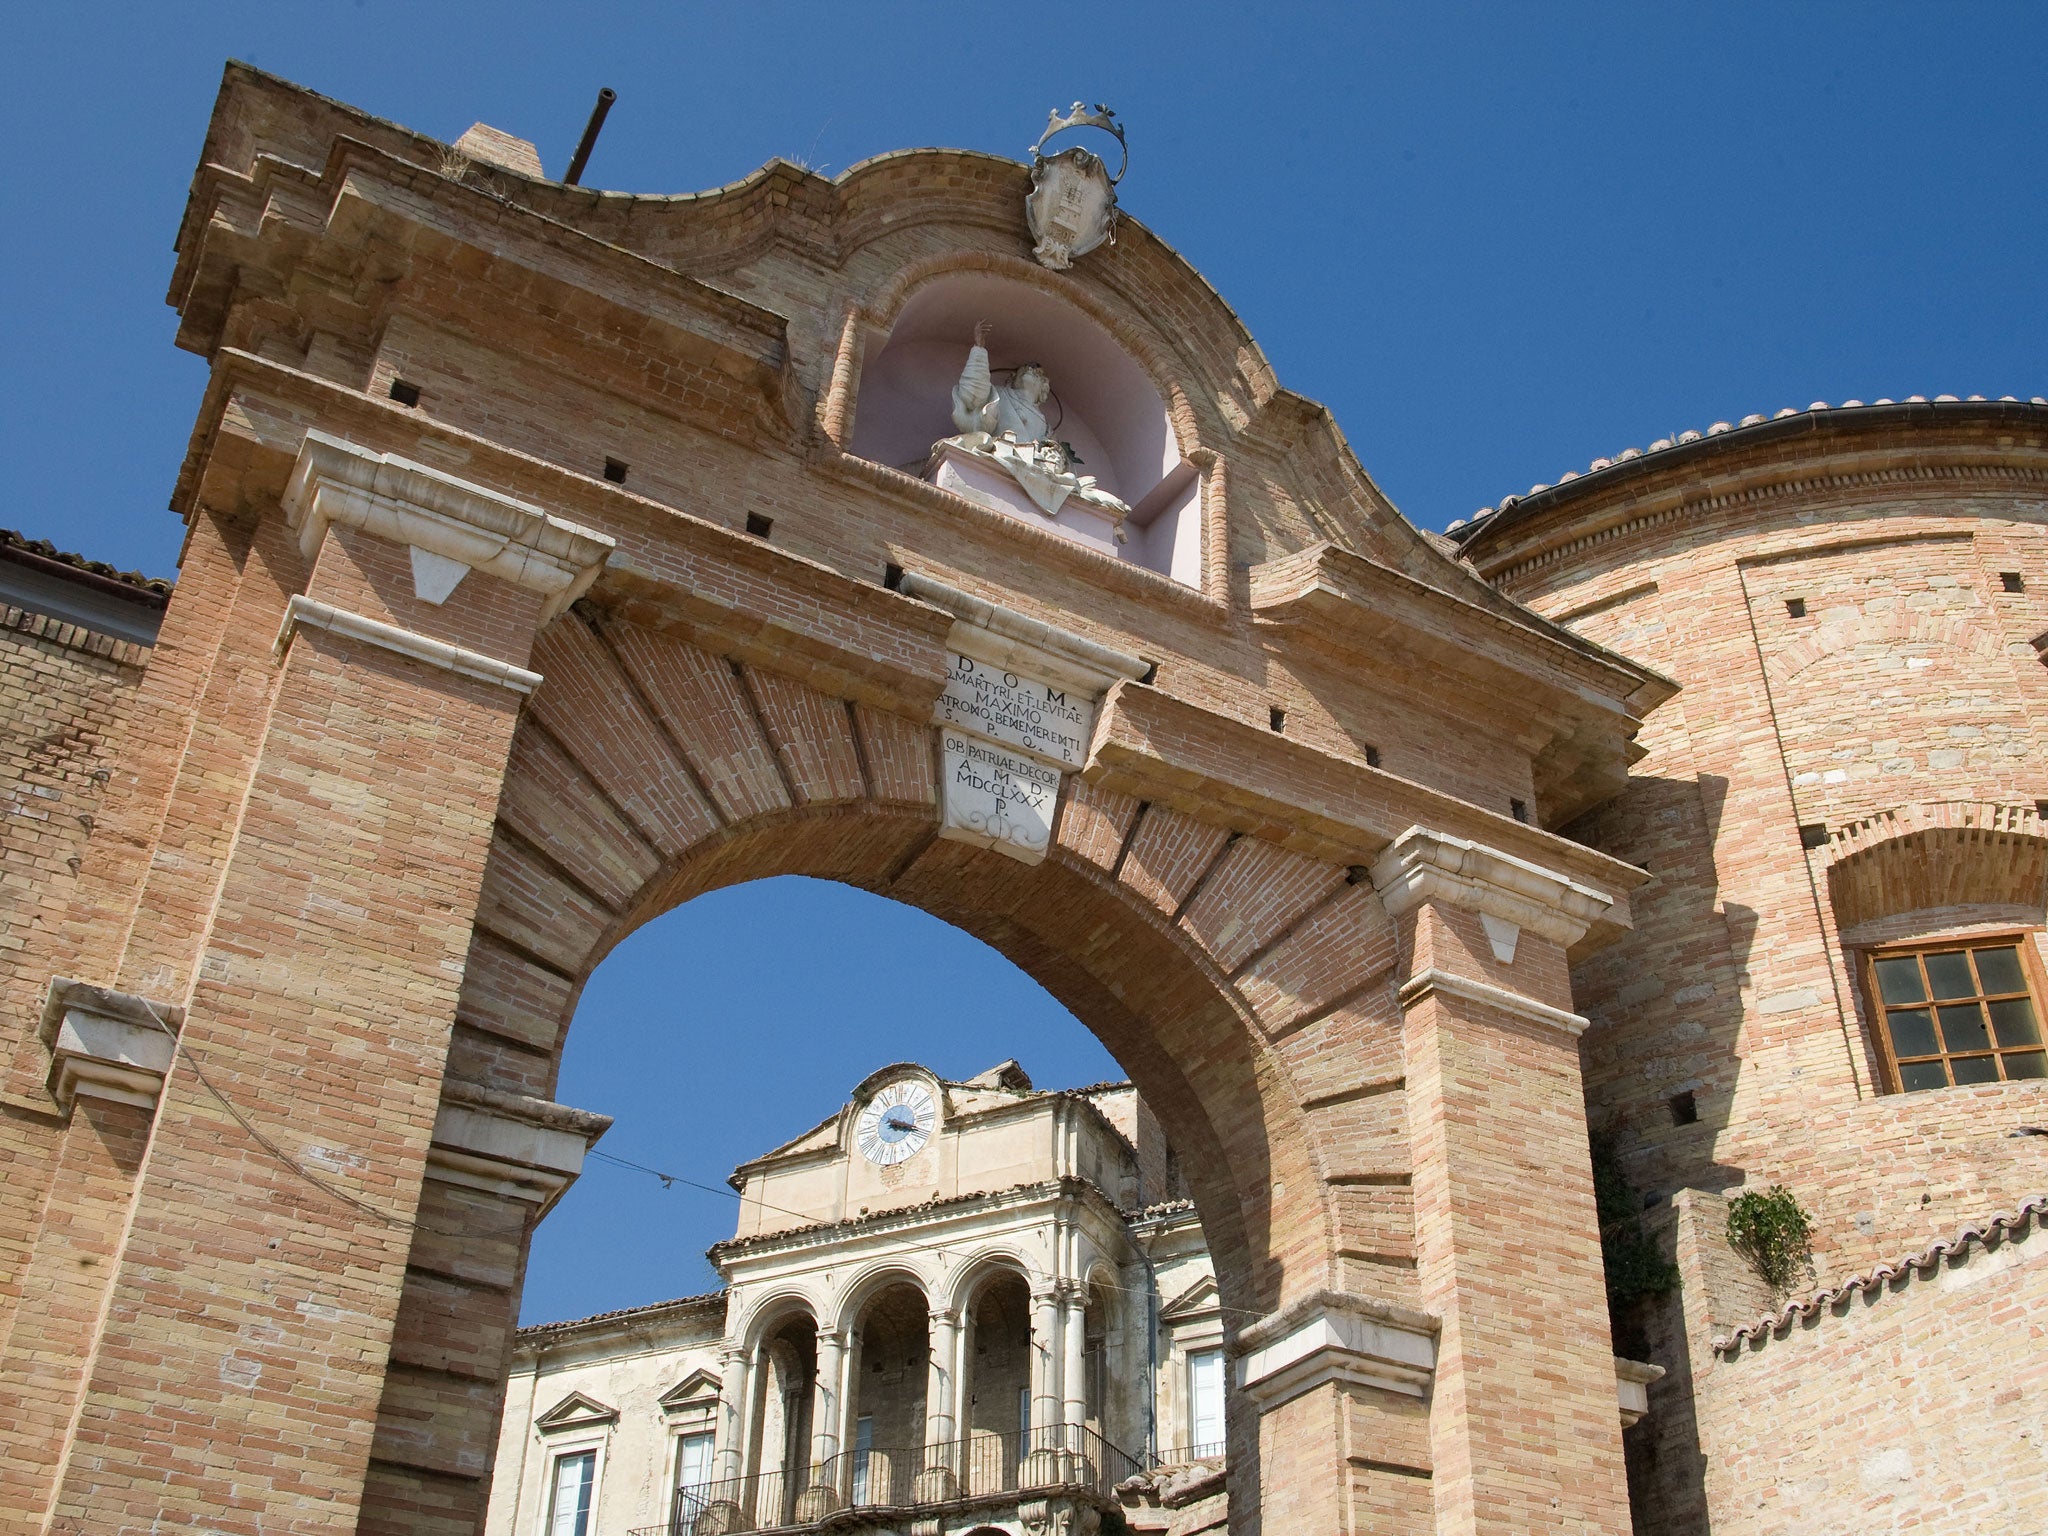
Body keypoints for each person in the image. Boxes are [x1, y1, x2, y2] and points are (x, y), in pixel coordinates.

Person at [941, 321, 1130, 531]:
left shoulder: (1047, 425)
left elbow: (1058, 457)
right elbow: (973, 392)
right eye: (1026, 370)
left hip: (1035, 465)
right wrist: (979, 349)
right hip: (1005, 455)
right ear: (1013, 379)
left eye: (1039, 374)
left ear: (1044, 389)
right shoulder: (1000, 394)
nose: (1033, 371)